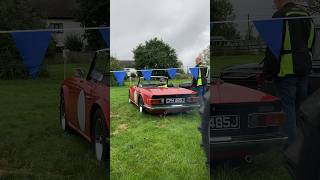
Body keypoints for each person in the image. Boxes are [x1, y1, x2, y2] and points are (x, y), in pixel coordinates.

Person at [263, 0, 315, 146]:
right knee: (301, 109)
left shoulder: (279, 15)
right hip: (303, 70)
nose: (274, 3)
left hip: (286, 72)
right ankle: (303, 146)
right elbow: (311, 44)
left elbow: (272, 50)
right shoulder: (306, 15)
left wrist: (267, 74)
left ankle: (290, 149)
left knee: (288, 110)